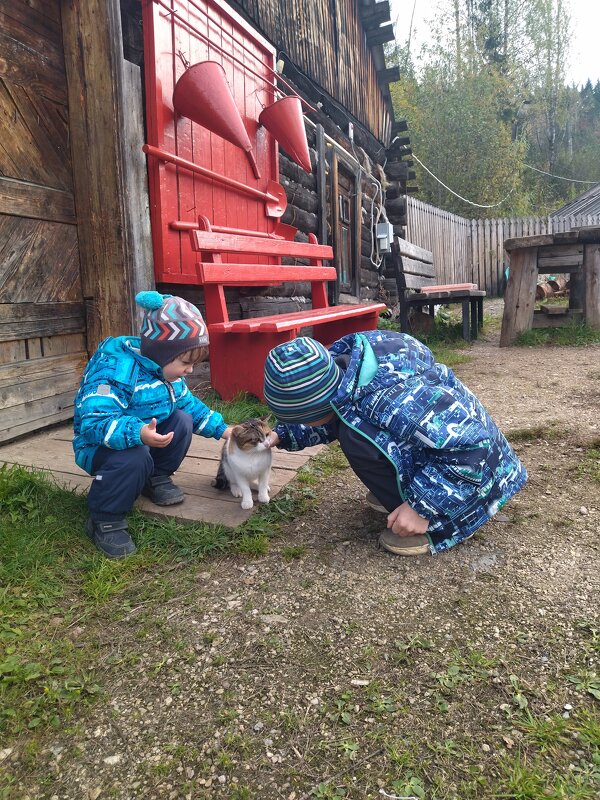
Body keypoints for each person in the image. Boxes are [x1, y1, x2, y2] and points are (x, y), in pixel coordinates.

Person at [263, 331, 527, 556]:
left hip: (482, 482)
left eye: (303, 420)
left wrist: (420, 508)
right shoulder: (351, 375)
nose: (307, 425)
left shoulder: (393, 400)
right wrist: (282, 435)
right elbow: (328, 416)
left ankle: (438, 520)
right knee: (350, 425)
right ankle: (404, 491)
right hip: (458, 461)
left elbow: (470, 448)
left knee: (355, 435)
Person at [73, 291, 230, 559]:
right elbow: (94, 421)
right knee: (133, 458)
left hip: (144, 439)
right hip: (101, 447)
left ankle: (154, 477)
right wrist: (137, 433)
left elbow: (189, 405)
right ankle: (105, 519)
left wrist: (225, 430)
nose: (190, 370)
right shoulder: (116, 370)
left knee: (182, 419)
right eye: (185, 362)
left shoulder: (168, 374)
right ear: (161, 351)